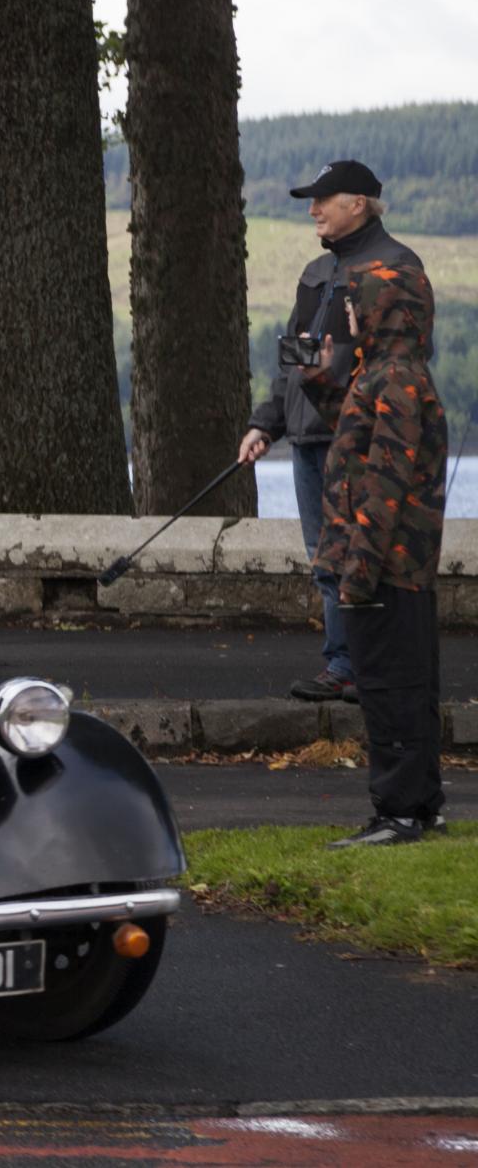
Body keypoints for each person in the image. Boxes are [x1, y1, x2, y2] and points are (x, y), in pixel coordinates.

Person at [236, 159, 425, 702]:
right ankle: (342, 665)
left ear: (358, 204)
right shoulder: (317, 275)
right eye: (311, 201)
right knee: (326, 559)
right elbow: (295, 359)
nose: (314, 210)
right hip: (307, 440)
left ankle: (371, 668)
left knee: (368, 557)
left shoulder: (396, 268)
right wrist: (264, 424)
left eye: (325, 199)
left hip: (363, 444)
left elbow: (402, 367)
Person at [316, 256, 449, 847]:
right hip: (398, 565)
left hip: (385, 566)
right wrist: (322, 380)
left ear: (382, 308)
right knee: (410, 684)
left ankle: (396, 813)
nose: (349, 312)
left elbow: (386, 480)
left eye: (355, 302)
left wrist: (358, 571)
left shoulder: (394, 376)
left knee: (389, 686)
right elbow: (356, 441)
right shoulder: (390, 372)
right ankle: (421, 806)